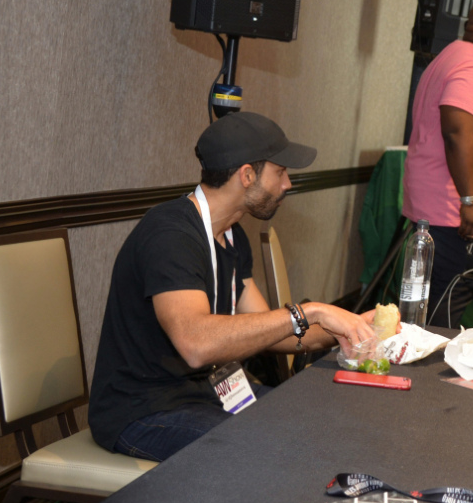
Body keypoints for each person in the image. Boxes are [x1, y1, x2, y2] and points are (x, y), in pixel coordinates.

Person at [90, 113, 376, 461]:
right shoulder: (170, 234)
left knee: (314, 420)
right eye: (280, 172)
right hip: (142, 410)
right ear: (247, 175)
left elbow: (276, 333)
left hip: (205, 394)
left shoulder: (231, 235)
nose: (287, 183)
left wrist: (354, 326)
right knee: (275, 451)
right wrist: (310, 311)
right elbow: (196, 344)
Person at [403, 0, 473, 324]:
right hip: (450, 214)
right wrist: (470, 200)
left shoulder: (452, 55)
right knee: (443, 309)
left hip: (435, 210)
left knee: (423, 308)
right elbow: (455, 131)